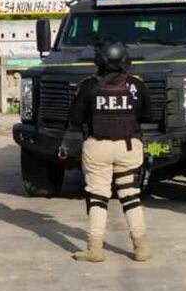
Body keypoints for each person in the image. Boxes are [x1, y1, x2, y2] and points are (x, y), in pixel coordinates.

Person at [58, 41, 152, 263]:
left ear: (99, 61)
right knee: (130, 196)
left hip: (97, 148)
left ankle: (95, 249)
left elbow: (75, 119)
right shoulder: (136, 86)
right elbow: (148, 116)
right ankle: (141, 248)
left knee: (98, 198)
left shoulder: (89, 85)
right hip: (128, 147)